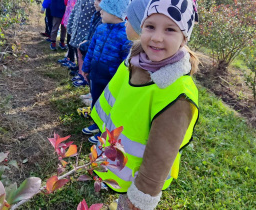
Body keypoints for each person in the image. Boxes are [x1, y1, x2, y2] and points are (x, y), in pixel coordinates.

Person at [90, 0, 200, 209]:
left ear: (184, 37)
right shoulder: (136, 61)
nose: (157, 37)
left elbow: (161, 155)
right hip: (118, 162)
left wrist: (141, 195)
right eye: (150, 26)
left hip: (139, 183)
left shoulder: (177, 95)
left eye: (169, 29)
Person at [81, 0, 132, 143]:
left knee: (108, 106)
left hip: (111, 79)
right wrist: (86, 68)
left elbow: (125, 62)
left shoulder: (125, 35)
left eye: (105, 9)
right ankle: (96, 123)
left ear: (115, 13)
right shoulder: (100, 28)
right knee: (96, 99)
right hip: (95, 74)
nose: (100, 11)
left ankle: (105, 131)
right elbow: (91, 49)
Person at [71, 0, 103, 86]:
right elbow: (91, 29)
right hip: (87, 40)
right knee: (81, 54)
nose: (95, 2)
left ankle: (86, 80)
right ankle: (81, 74)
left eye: (99, 1)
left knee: (89, 62)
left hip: (92, 44)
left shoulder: (103, 18)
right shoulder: (96, 15)